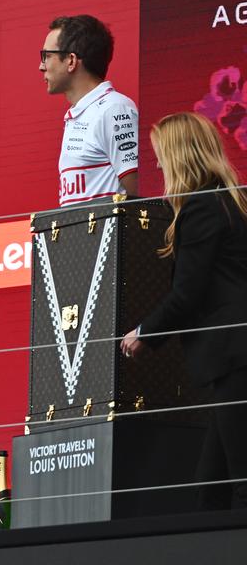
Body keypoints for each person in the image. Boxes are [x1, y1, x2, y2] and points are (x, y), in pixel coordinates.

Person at [121, 112, 247, 509]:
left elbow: (187, 293)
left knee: (239, 484)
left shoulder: (202, 208)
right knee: (211, 489)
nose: (156, 164)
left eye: (160, 154)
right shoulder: (231, 203)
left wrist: (144, 333)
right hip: (234, 359)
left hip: (234, 357)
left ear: (179, 155)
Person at [39, 14, 139, 205]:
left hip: (112, 234)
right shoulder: (78, 114)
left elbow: (141, 194)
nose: (41, 66)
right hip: (80, 234)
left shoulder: (114, 109)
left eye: (47, 56)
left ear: (71, 60)